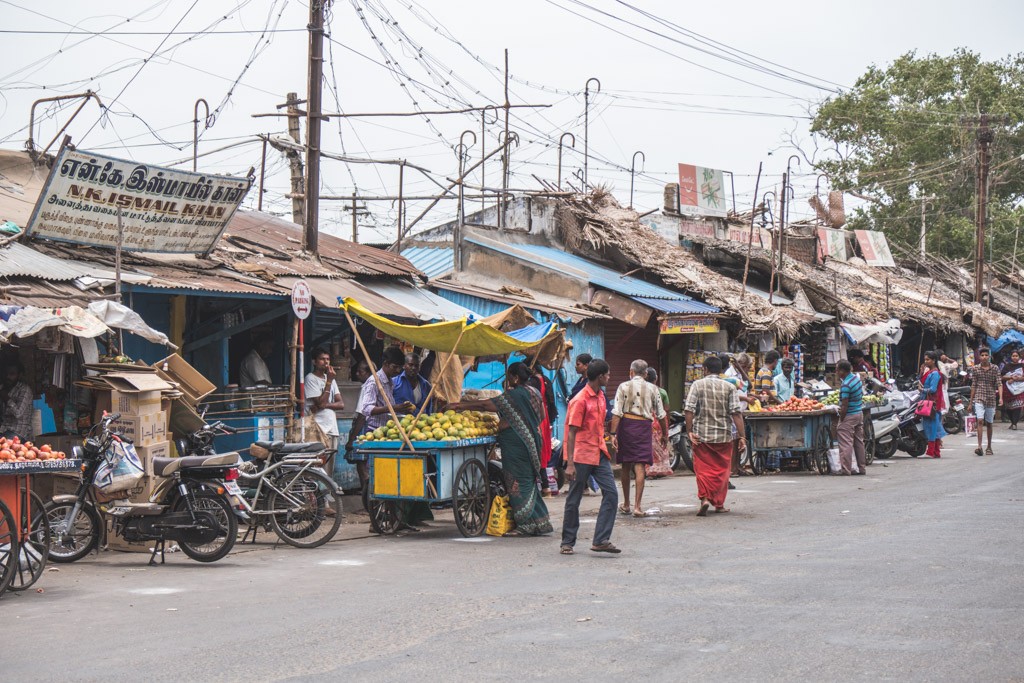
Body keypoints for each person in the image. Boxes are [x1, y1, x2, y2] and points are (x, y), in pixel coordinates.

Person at [449, 362, 553, 536]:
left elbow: (485, 406)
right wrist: (520, 420)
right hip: (532, 441)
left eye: (509, 376)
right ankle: (539, 521)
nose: (507, 379)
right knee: (528, 481)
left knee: (516, 482)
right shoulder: (534, 392)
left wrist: (459, 406)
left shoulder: (514, 395)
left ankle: (525, 525)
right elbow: (541, 415)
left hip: (516, 445)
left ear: (515, 377)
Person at [350, 346, 426, 531]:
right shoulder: (373, 382)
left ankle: (395, 520)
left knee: (392, 479)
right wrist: (394, 409)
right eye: (395, 367)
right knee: (378, 480)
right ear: (385, 364)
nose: (398, 371)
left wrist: (399, 410)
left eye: (400, 367)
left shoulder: (390, 381)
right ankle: (375, 522)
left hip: (389, 433)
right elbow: (366, 409)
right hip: (376, 434)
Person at [560, 359, 620, 555]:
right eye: (608, 375)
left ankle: (601, 539)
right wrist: (569, 464)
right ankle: (567, 542)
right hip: (581, 455)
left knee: (611, 493)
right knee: (574, 499)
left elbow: (602, 423)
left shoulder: (601, 396)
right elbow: (571, 432)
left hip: (599, 452)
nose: (610, 378)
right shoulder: (580, 400)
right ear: (601, 376)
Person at [684, 356, 745, 516]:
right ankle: (719, 504)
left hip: (701, 436)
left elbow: (689, 409)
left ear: (705, 369)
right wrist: (742, 436)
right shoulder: (729, 387)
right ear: (721, 370)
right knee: (722, 470)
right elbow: (736, 413)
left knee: (702, 469)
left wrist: (689, 431)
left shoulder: (697, 385)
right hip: (723, 436)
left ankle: (704, 498)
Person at [610, 359, 667, 518]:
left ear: (631, 372)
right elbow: (661, 415)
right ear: (646, 374)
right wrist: (665, 434)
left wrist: (613, 434)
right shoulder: (653, 388)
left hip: (626, 426)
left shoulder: (623, 386)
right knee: (640, 465)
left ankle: (627, 504)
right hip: (643, 427)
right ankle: (637, 507)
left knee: (626, 465)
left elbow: (617, 412)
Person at [305, 347, 345, 477]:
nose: (326, 362)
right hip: (317, 429)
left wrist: (323, 405)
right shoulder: (311, 379)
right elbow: (320, 402)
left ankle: (326, 494)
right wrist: (328, 382)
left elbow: (341, 404)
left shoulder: (331, 380)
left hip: (331, 428)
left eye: (327, 359)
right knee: (316, 465)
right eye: (322, 359)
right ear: (314, 362)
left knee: (328, 466)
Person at [527, 365, 557, 495]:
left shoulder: (532, 382)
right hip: (544, 418)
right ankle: (546, 486)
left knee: (536, 450)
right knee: (542, 449)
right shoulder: (546, 380)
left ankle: (543, 485)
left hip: (537, 417)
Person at [836, 360, 866, 474]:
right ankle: (862, 468)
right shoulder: (856, 379)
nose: (836, 372)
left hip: (850, 414)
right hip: (859, 413)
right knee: (859, 442)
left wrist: (841, 419)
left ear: (843, 371)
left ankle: (846, 469)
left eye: (838, 370)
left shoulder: (846, 385)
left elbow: (844, 405)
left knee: (845, 442)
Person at [969, 347, 1001, 456]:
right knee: (980, 420)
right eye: (982, 355)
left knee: (989, 423)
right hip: (979, 397)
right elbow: (973, 385)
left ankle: (989, 446)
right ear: (979, 357)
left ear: (989, 356)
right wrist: (970, 402)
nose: (984, 357)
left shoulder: (995, 368)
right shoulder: (975, 369)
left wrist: (1000, 398)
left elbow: (999, 384)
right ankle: (979, 446)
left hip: (991, 398)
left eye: (986, 355)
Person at [645, 367, 673, 479]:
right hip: (661, 421)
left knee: (650, 446)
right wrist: (668, 422)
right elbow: (666, 409)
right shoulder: (662, 392)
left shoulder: (644, 391)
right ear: (656, 378)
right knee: (661, 445)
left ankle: (651, 470)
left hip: (648, 420)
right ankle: (661, 470)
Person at [920, 350, 947, 459]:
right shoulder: (931, 372)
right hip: (932, 403)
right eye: (925, 359)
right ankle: (936, 451)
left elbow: (933, 389)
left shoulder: (935, 373)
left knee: (931, 427)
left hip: (932, 404)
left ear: (934, 360)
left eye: (928, 360)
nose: (926, 362)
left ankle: (931, 451)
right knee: (934, 426)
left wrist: (922, 389)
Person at [0, 362, 32, 440]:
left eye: (12, 374)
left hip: (18, 432)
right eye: (6, 374)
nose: (8, 376)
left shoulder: (24, 390)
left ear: (19, 375)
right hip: (3, 429)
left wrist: (6, 398)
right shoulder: (4, 387)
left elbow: (18, 413)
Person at [1000, 349, 1024, 430]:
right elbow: (1002, 377)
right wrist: (1010, 377)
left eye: (1016, 356)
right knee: (1008, 408)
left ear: (1019, 357)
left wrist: (1015, 379)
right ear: (1011, 357)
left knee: (1018, 406)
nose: (1015, 357)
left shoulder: (1022, 366)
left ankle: (1014, 424)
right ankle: (1012, 421)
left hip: (1019, 389)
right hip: (1008, 389)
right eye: (1013, 356)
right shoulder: (1007, 366)